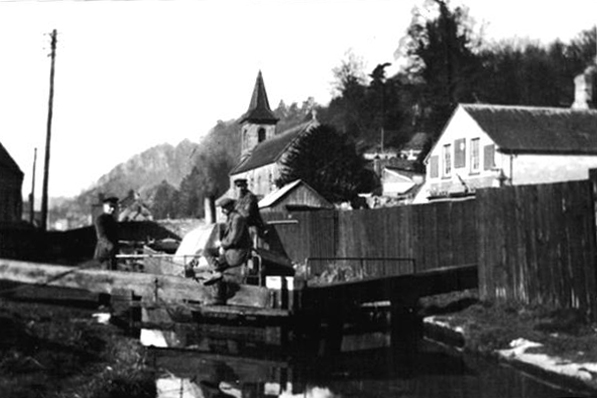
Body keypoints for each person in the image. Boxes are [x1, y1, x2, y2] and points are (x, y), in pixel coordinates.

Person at [203, 197, 253, 305]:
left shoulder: (237, 219)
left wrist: (222, 245)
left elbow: (234, 238)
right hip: (230, 251)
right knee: (207, 251)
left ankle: (217, 297)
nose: (222, 210)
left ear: (231, 207)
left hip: (237, 253)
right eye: (222, 208)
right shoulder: (231, 218)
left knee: (217, 265)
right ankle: (217, 273)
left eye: (224, 208)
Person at [233, 178, 266, 244]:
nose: (240, 188)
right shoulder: (239, 199)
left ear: (246, 186)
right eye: (238, 186)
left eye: (242, 186)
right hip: (243, 228)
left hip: (252, 227)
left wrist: (237, 208)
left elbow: (247, 215)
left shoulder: (250, 197)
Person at [93, 196, 120, 270]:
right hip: (105, 254)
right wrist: (111, 247)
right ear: (105, 207)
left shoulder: (113, 220)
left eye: (114, 207)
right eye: (110, 206)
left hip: (112, 254)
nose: (112, 209)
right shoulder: (100, 220)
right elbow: (102, 237)